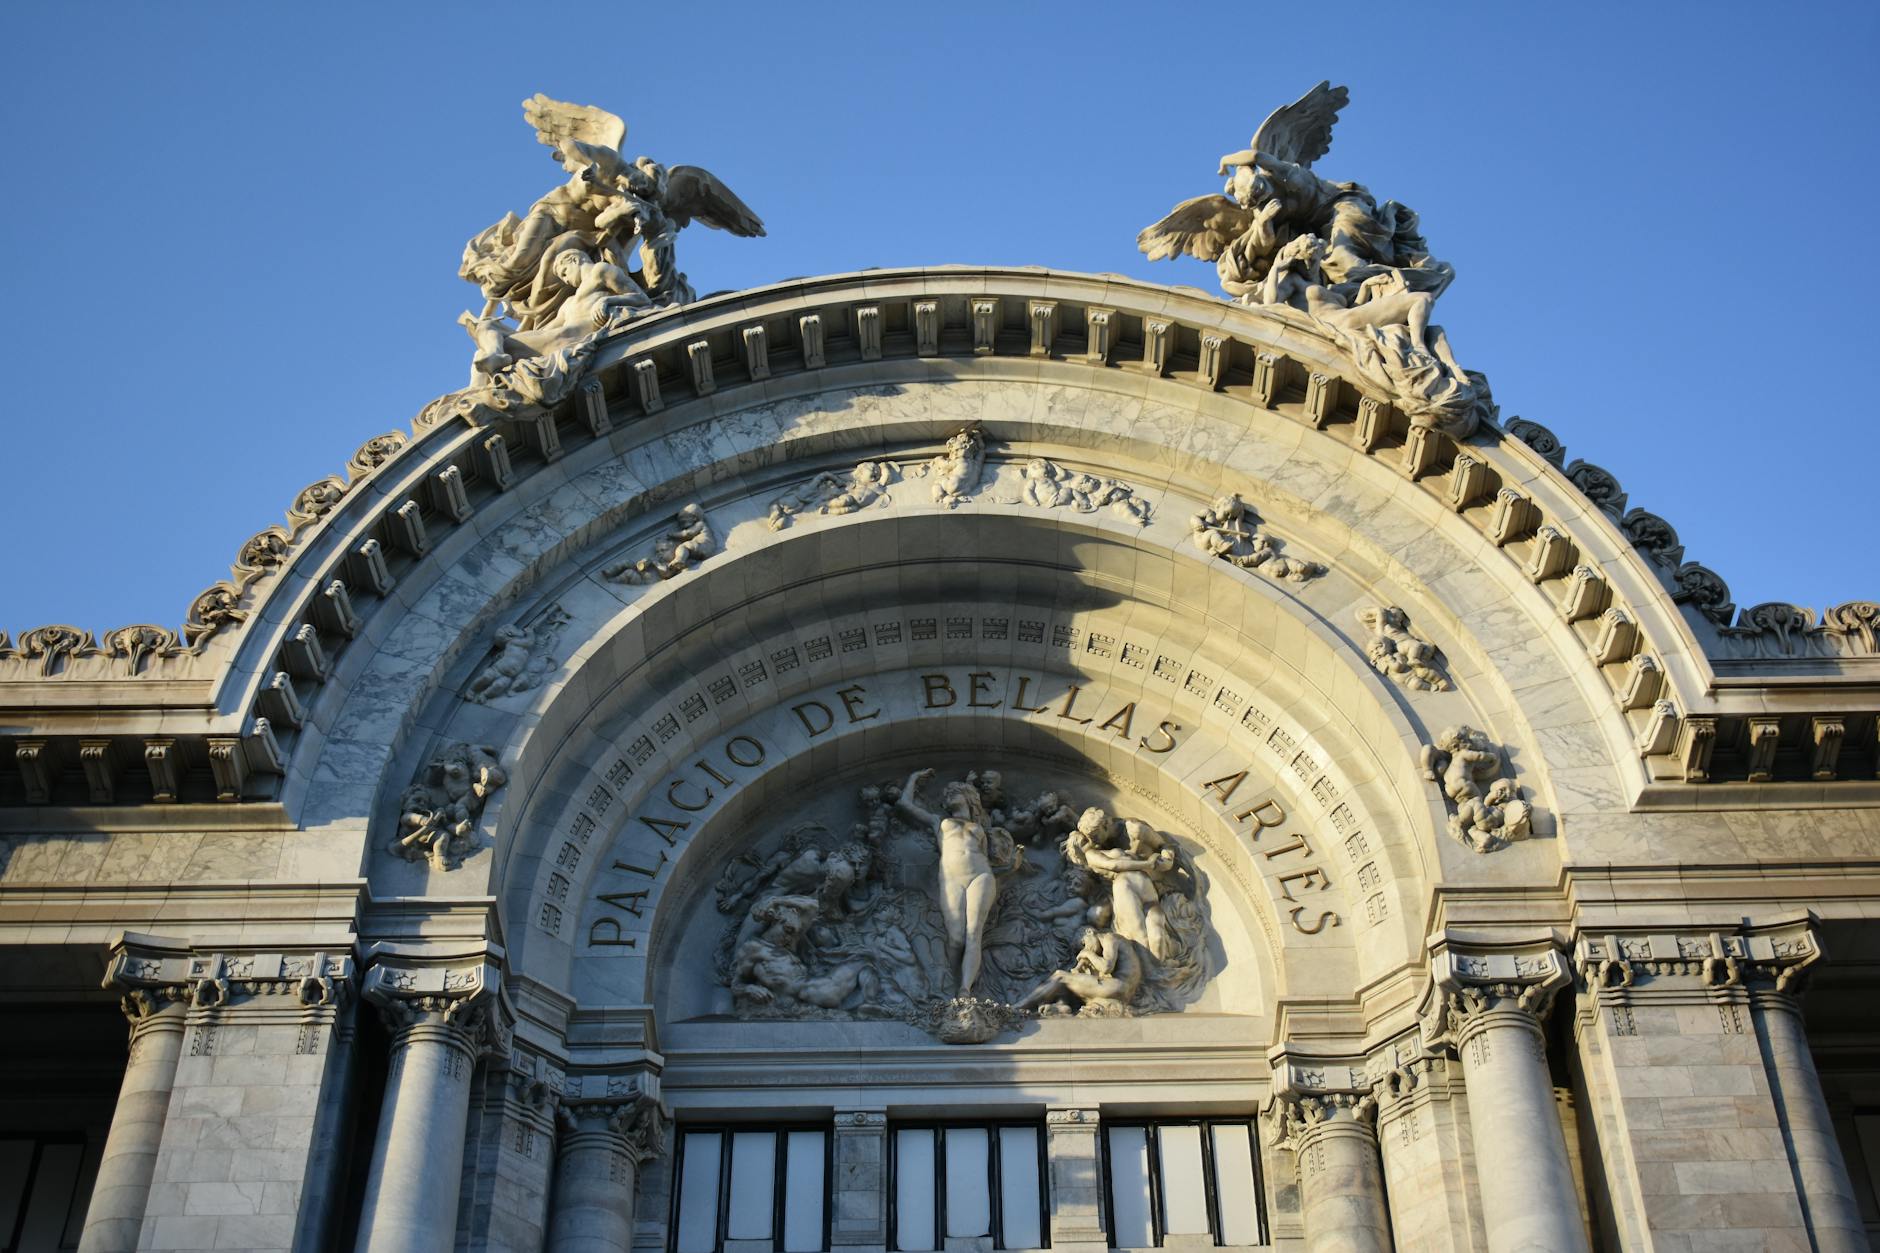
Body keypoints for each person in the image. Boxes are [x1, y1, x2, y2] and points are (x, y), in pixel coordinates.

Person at [895, 768, 999, 996]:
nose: (947, 796)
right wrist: (913, 779)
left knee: (974, 933)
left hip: (981, 876)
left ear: (968, 797)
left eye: (954, 792)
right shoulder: (938, 821)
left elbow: (987, 855)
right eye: (947, 793)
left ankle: (965, 989)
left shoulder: (979, 827)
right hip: (952, 880)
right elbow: (905, 805)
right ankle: (949, 986)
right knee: (955, 938)